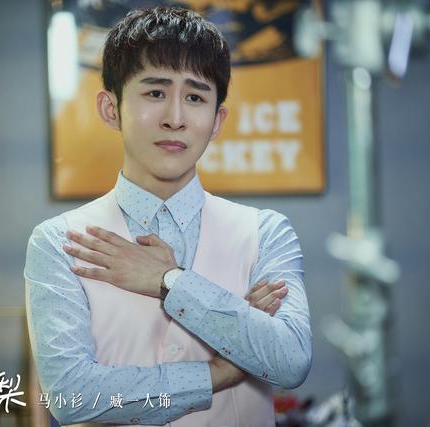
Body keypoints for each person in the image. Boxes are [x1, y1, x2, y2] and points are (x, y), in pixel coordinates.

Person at [25, 6, 311, 426]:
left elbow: (291, 359)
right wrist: (219, 372)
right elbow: (71, 397)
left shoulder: (265, 232)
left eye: (195, 97)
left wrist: (169, 280)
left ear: (217, 121)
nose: (175, 119)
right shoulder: (60, 241)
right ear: (110, 108)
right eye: (155, 93)